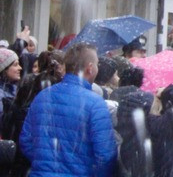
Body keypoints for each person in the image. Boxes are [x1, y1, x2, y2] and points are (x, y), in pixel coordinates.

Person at [19, 43, 116, 177]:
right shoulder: (96, 104)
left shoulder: (43, 96)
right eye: (97, 64)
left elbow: (26, 140)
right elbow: (105, 155)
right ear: (90, 68)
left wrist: (46, 163)